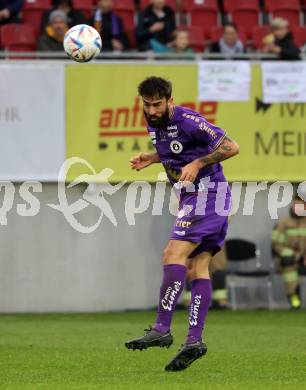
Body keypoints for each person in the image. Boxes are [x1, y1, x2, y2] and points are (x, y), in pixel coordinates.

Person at [125, 77, 239, 371]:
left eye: (157, 104)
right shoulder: (154, 121)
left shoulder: (188, 119)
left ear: (169, 101)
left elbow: (231, 146)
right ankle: (193, 341)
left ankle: (162, 328)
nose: (151, 110)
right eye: (147, 104)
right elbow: (175, 149)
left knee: (172, 255)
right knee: (197, 266)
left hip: (208, 193)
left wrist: (199, 163)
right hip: (196, 197)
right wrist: (152, 158)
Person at [272, 194, 306, 309]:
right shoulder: (283, 223)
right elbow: (276, 245)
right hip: (292, 259)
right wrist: (292, 254)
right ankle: (294, 299)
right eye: (296, 204)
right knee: (287, 264)